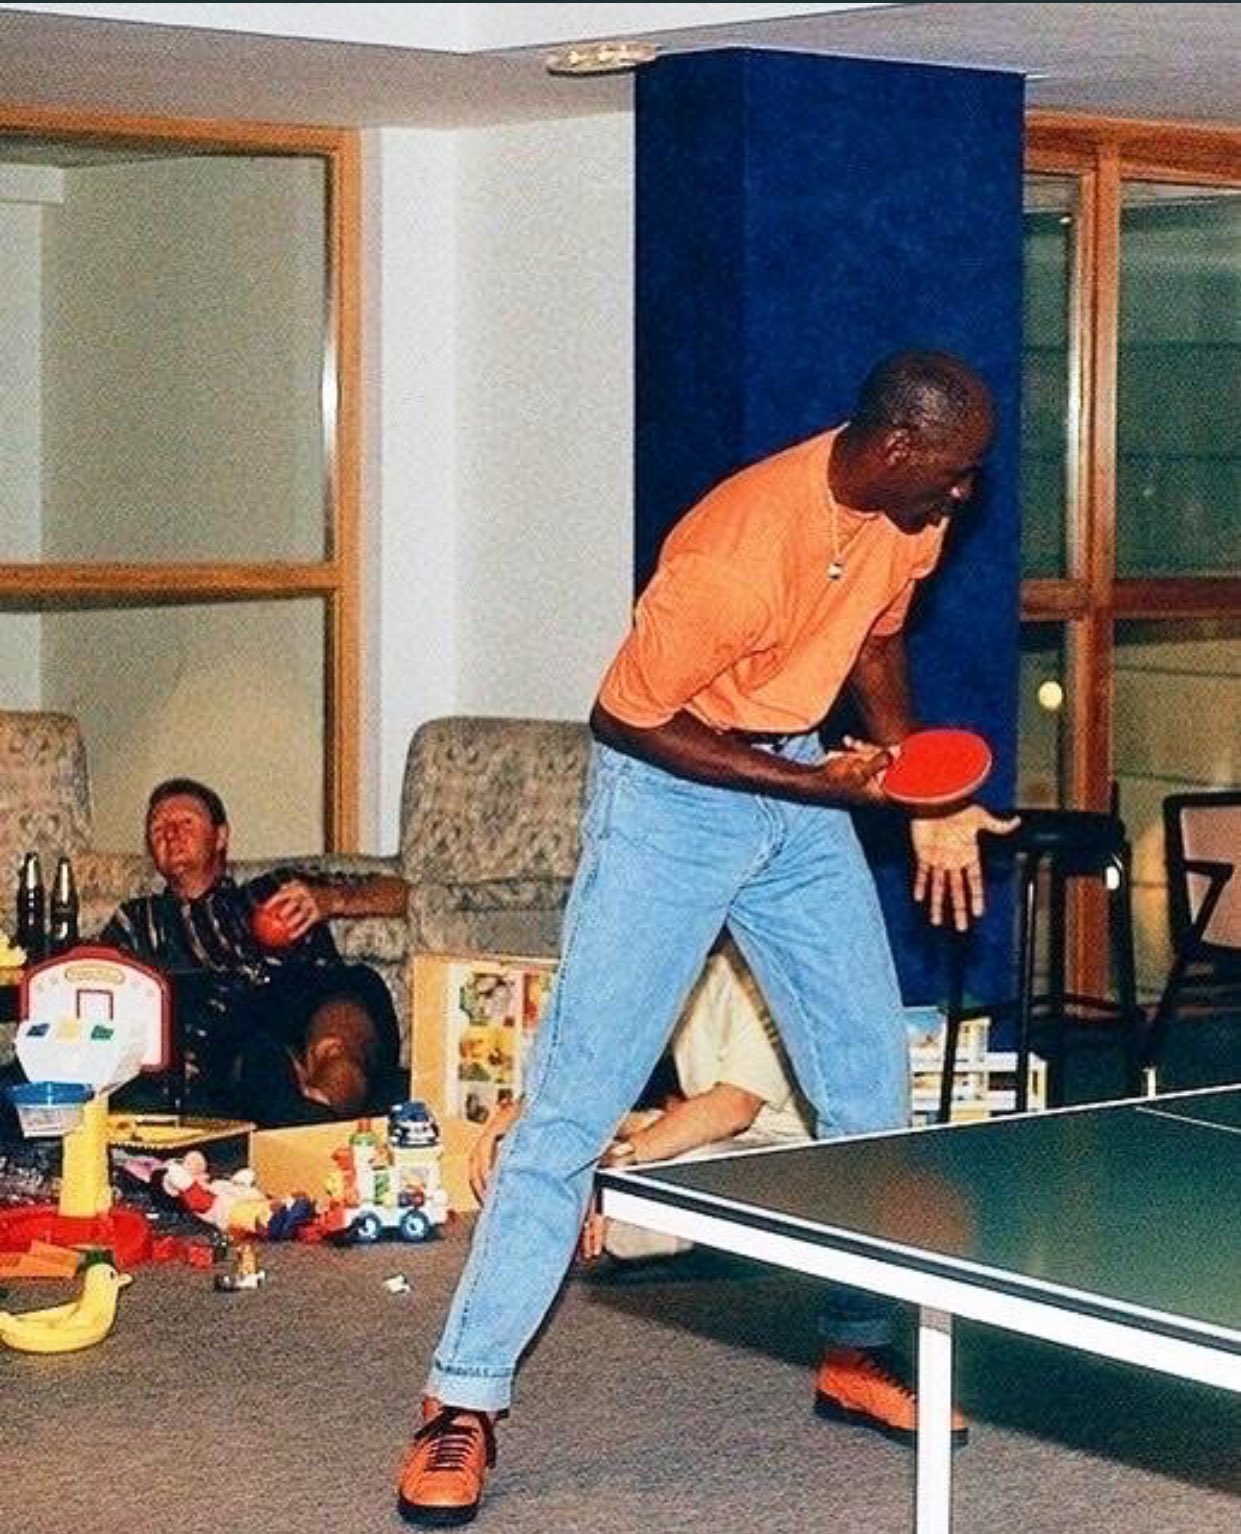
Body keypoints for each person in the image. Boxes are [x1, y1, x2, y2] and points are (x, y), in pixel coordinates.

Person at [397, 350, 1018, 1526]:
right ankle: (459, 1399)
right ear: (893, 449)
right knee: (572, 1111)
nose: (964, 493)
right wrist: (848, 795)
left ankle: (852, 1346)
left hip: (794, 786)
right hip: (667, 802)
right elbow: (626, 721)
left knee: (866, 1091)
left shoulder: (906, 518)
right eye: (952, 470)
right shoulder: (733, 552)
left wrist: (915, 775)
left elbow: (876, 645)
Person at [467, 938, 815, 1263]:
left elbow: (734, 1107)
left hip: (782, 1154)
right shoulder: (684, 967)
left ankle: (586, 1225)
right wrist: (525, 1109)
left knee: (672, 1175)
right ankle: (566, 1222)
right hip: (710, 1131)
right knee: (552, 1134)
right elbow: (607, 1063)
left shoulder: (767, 973)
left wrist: (625, 1156)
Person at [98, 777, 401, 1127]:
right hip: (229, 1031)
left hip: (313, 992)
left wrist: (331, 900)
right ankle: (300, 1118)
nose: (170, 833)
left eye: (185, 822)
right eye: (157, 828)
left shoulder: (278, 888)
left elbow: (400, 890)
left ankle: (318, 1110)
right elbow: (101, 983)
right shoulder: (137, 918)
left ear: (221, 836)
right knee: (256, 1058)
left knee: (335, 1045)